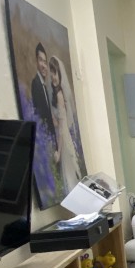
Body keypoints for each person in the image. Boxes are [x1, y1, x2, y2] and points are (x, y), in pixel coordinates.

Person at [49, 56, 83, 191]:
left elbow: (62, 128)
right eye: (51, 73)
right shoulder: (57, 93)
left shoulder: (59, 95)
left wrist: (58, 151)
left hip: (63, 142)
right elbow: (60, 122)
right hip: (63, 138)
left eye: (55, 73)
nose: (53, 76)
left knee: (69, 178)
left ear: (59, 73)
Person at [30, 43, 55, 140]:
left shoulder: (44, 86)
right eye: (41, 60)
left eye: (45, 62)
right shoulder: (35, 84)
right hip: (44, 137)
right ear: (36, 61)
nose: (44, 66)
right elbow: (39, 114)